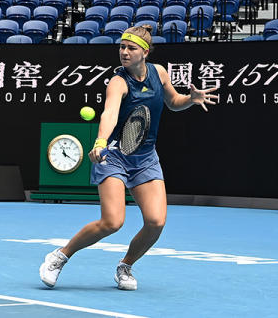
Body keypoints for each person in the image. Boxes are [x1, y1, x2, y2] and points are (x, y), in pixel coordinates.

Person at [38, 24, 219, 291]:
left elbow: (173, 102)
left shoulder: (159, 73)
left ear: (144, 52)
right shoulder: (118, 81)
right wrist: (100, 142)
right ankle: (60, 256)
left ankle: (126, 266)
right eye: (122, 47)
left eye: (131, 48)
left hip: (145, 158)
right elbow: (109, 113)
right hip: (114, 156)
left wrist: (190, 99)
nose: (124, 52)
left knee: (156, 222)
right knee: (112, 222)